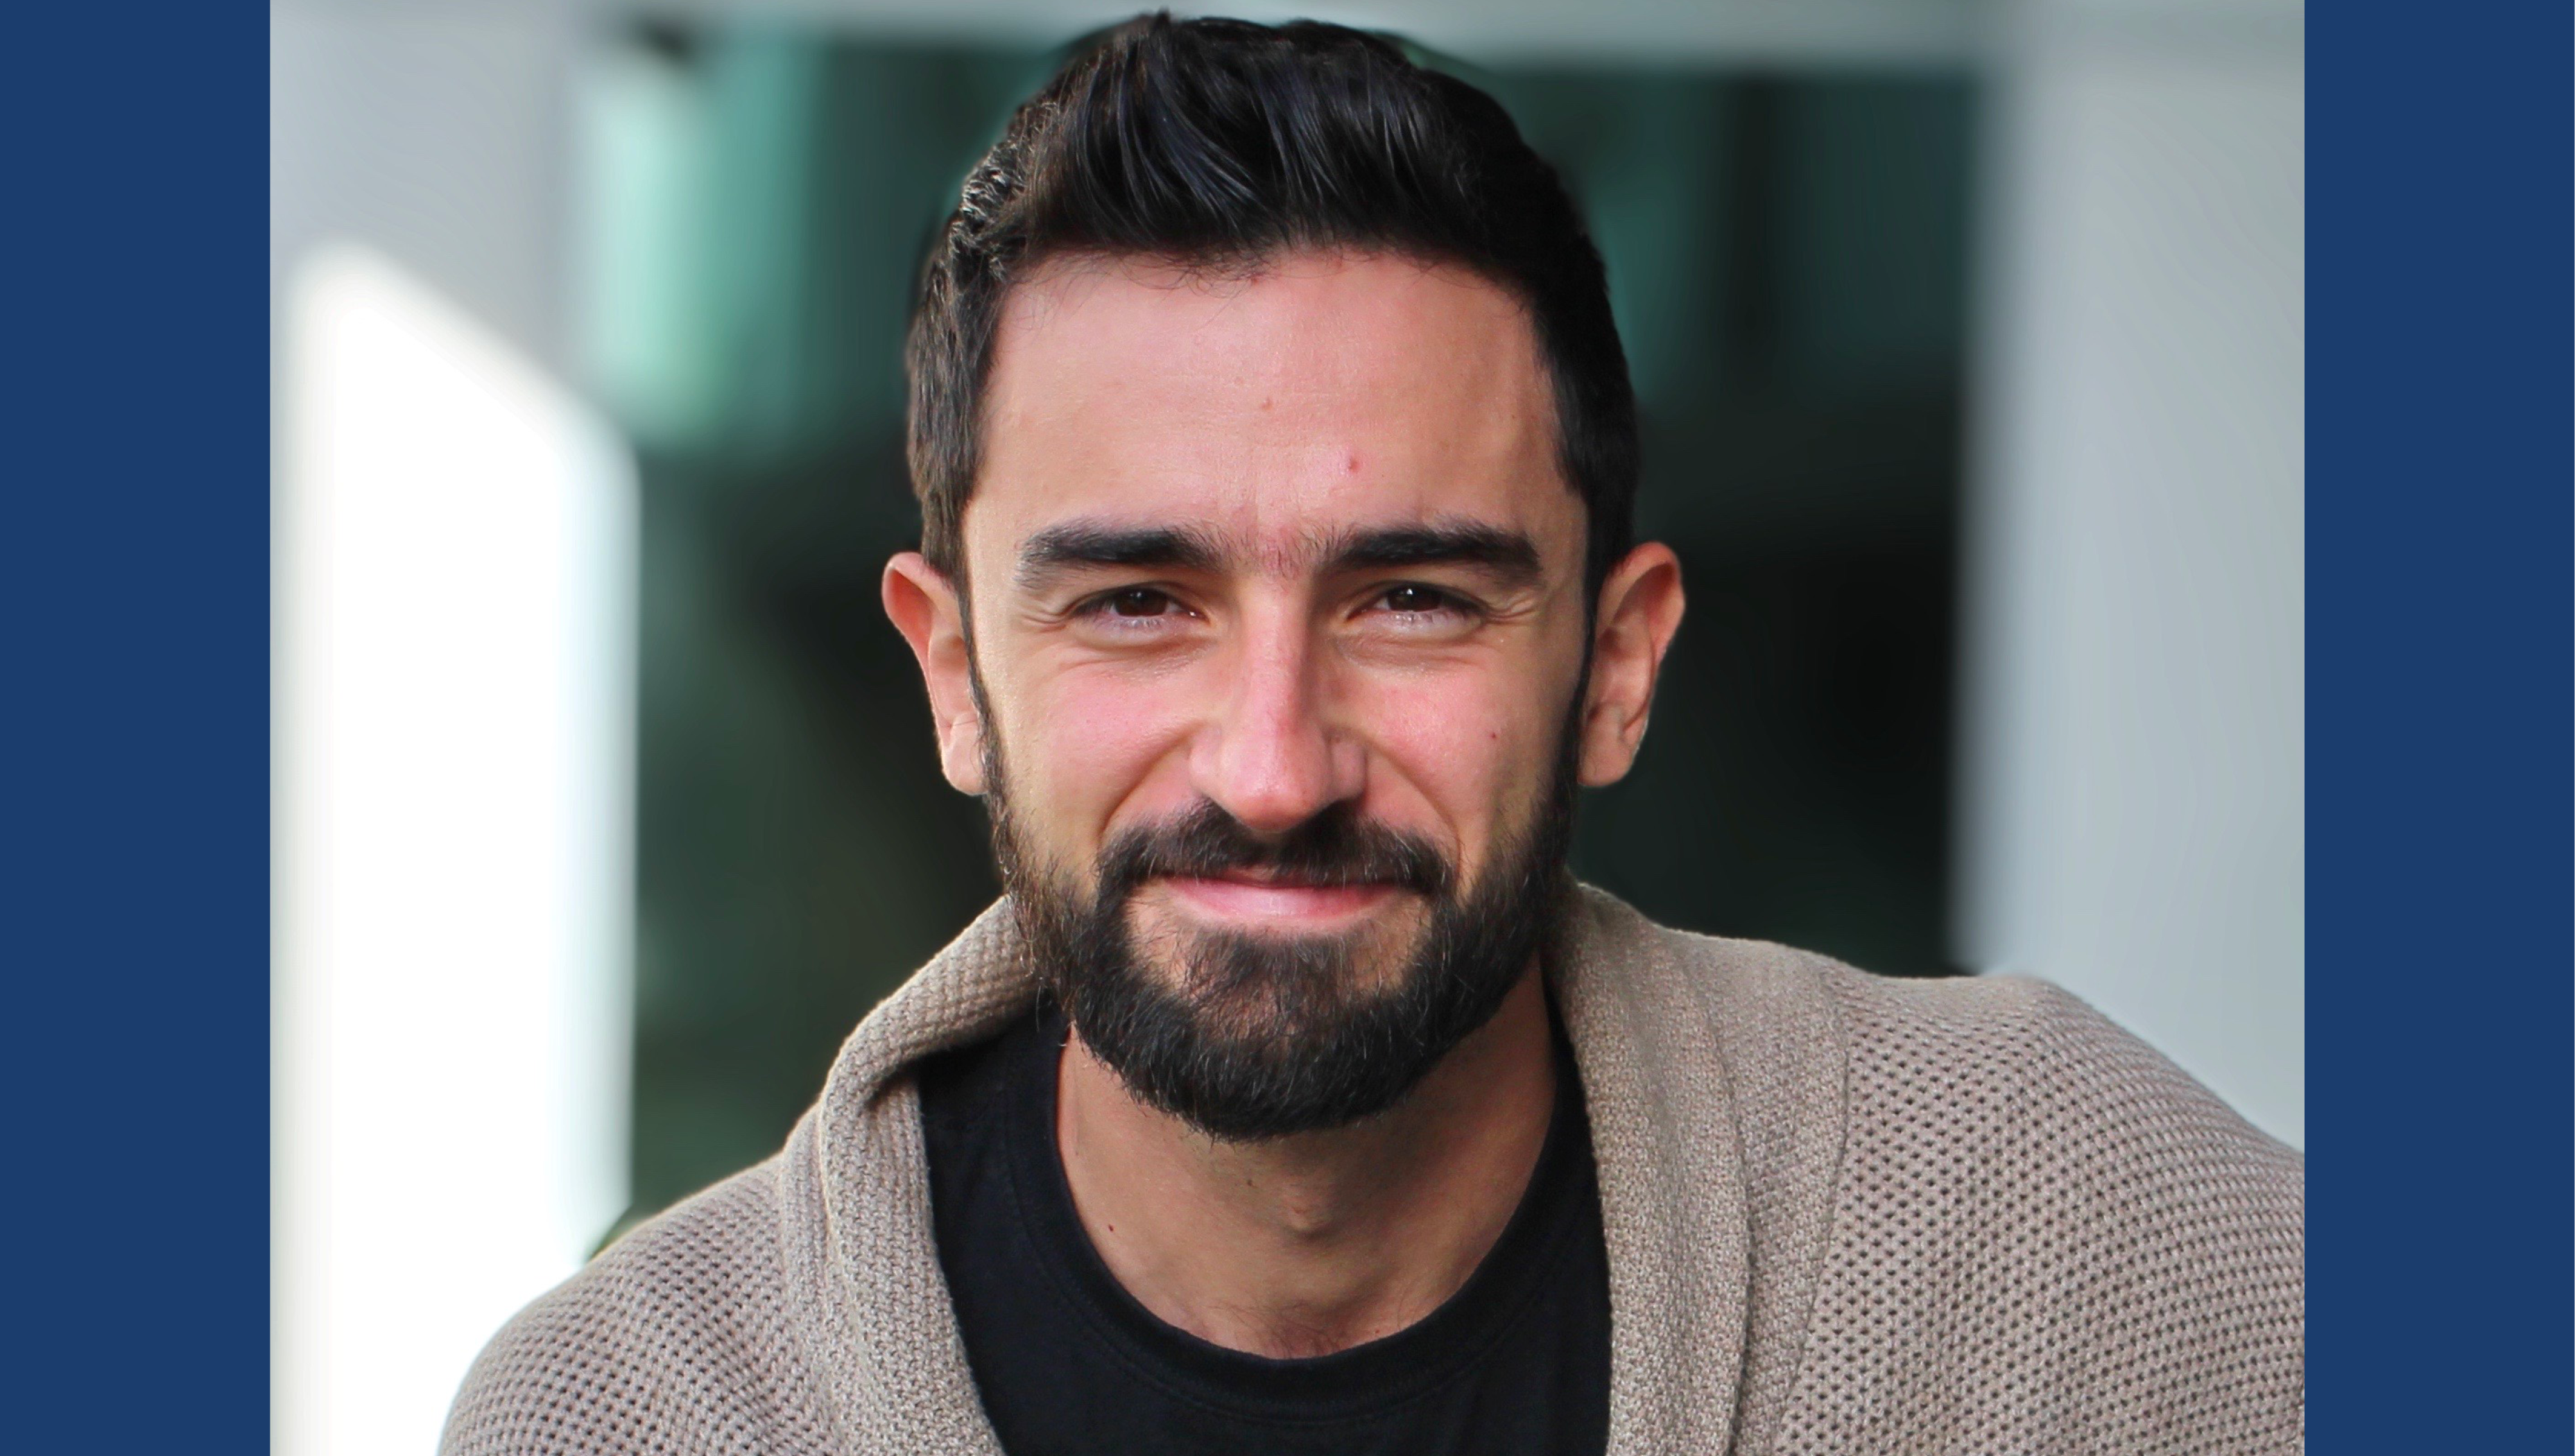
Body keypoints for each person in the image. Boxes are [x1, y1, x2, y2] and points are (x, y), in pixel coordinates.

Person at [442, 15, 2303, 1455]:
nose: (1273, 763)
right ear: (953, 673)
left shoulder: (2055, 1235)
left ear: (1619, 660)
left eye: (1412, 598)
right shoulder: (641, 1410)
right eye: (1137, 601)